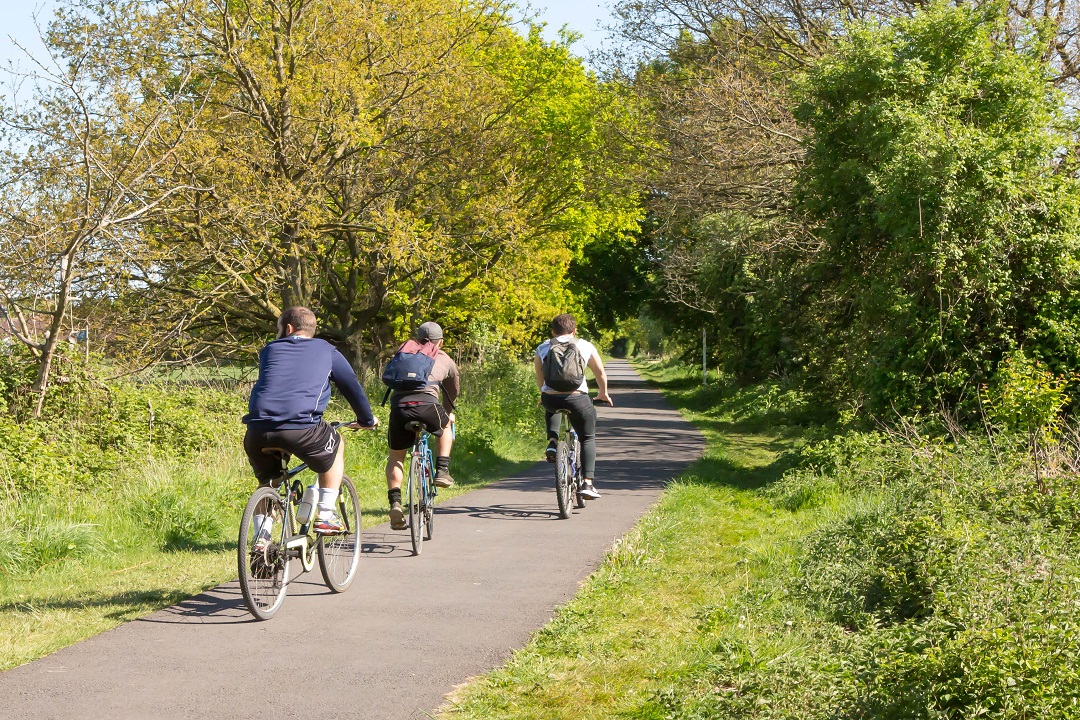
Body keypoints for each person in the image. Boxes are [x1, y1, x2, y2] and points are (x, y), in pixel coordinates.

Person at [242, 306, 379, 543]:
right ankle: (325, 513)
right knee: (336, 442)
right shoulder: (328, 351)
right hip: (302, 430)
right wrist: (366, 420)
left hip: (257, 432)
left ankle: (261, 539)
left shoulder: (270, 350)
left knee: (268, 483)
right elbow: (351, 387)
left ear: (287, 328)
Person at [385, 321, 460, 530]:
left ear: (417, 340)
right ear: (441, 341)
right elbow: (453, 390)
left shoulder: (404, 353)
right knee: (444, 425)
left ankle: (395, 502)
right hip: (427, 405)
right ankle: (442, 471)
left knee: (396, 456)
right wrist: (447, 412)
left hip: (399, 407)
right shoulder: (444, 358)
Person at [534, 313, 612, 500]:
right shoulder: (584, 345)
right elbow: (599, 371)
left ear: (553, 331)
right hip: (577, 399)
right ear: (574, 330)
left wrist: (543, 394)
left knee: (551, 406)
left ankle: (552, 442)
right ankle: (588, 483)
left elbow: (539, 375)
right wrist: (603, 393)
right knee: (587, 437)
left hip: (550, 398)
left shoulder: (543, 346)